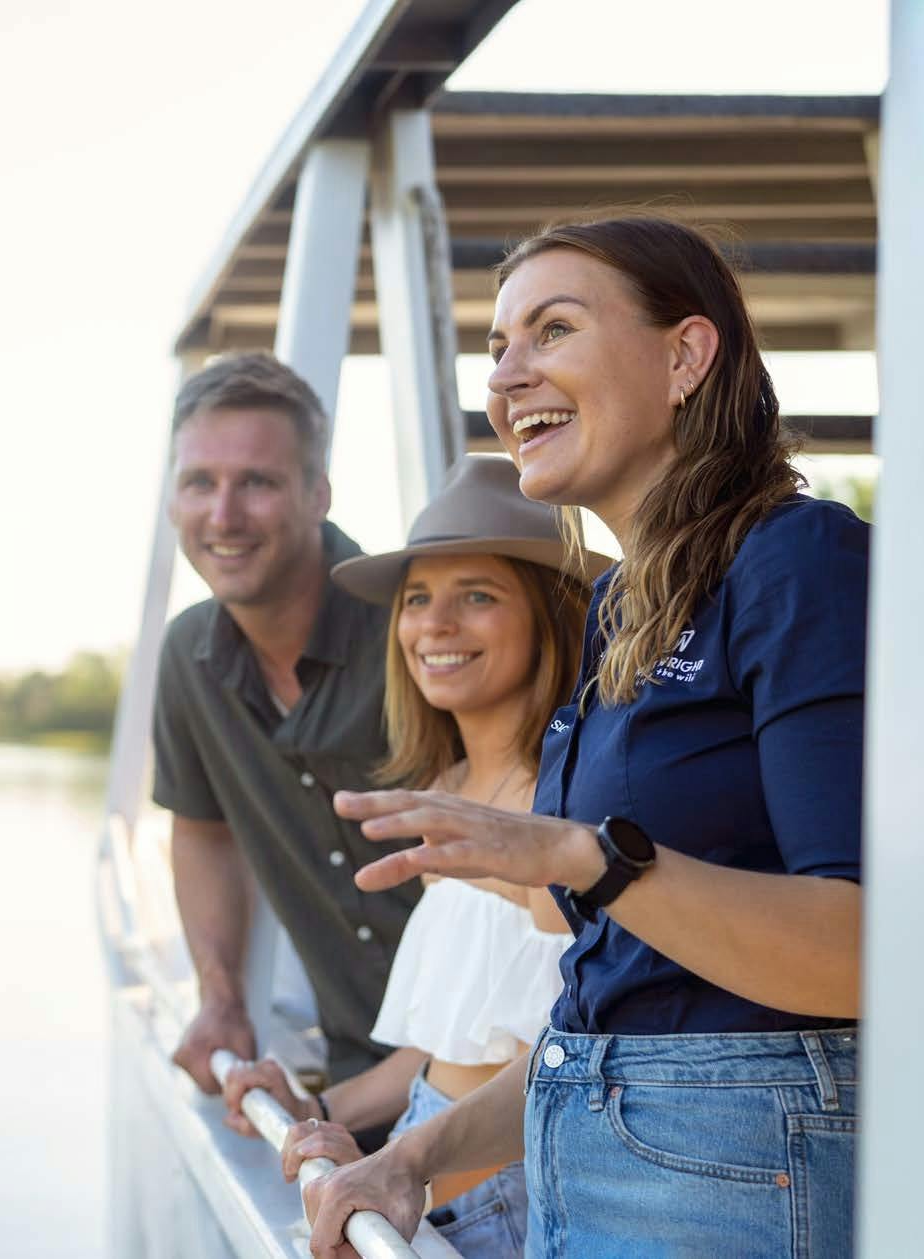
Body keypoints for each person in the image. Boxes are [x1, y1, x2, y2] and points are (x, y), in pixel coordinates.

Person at [295, 216, 866, 1259]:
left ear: (686, 355)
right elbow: (611, 1019)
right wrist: (412, 1157)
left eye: (550, 330)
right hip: (577, 1172)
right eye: (496, 349)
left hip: (737, 1181)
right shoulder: (619, 611)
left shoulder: (801, 563)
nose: (506, 378)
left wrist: (579, 857)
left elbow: (864, 953)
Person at [221, 454, 602, 1258]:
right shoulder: (446, 788)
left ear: (547, 614)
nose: (435, 623)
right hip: (416, 1190)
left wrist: (406, 1165)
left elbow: (568, 1055)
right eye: (418, 598)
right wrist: (314, 1103)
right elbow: (443, 1048)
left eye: (477, 595)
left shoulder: (568, 801)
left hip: (507, 1200)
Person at [154, 352, 421, 1103]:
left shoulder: (417, 632)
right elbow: (202, 829)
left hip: (493, 1072)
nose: (223, 515)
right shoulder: (188, 657)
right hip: (355, 1068)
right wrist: (220, 996)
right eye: (199, 482)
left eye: (257, 482)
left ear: (317, 495)